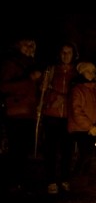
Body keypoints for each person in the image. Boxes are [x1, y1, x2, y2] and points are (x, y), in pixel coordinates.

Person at [0, 38, 41, 193]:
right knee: (16, 149)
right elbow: (4, 87)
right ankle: (13, 182)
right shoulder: (11, 63)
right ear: (18, 45)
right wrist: (29, 80)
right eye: (26, 44)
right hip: (15, 112)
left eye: (32, 45)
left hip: (28, 113)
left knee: (23, 149)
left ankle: (20, 181)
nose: (29, 48)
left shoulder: (31, 63)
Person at [39, 42, 78, 194]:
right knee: (50, 150)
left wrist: (63, 97)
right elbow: (43, 90)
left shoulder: (76, 72)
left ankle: (65, 179)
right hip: (52, 115)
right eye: (63, 52)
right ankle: (51, 181)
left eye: (69, 52)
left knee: (67, 150)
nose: (65, 55)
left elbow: (78, 93)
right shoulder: (52, 70)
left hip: (69, 116)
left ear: (74, 55)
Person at [68, 61, 96, 184]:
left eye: (93, 71)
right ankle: (77, 178)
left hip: (92, 128)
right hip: (80, 128)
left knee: (89, 154)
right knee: (84, 154)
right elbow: (76, 110)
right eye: (88, 71)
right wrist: (90, 126)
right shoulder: (77, 89)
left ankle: (82, 179)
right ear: (82, 72)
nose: (91, 74)